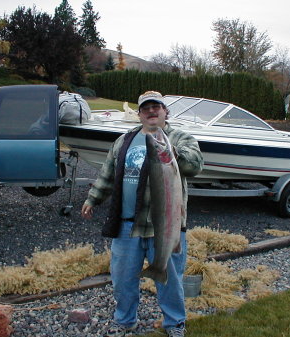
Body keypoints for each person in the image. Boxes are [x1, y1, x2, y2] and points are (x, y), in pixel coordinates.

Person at [81, 91, 203, 337]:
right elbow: (108, 174)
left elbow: (196, 165)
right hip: (128, 226)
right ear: (139, 114)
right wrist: (93, 198)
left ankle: (175, 324)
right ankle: (125, 320)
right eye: (146, 108)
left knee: (170, 281)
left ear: (165, 111)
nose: (151, 111)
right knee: (123, 279)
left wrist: (174, 153)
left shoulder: (179, 138)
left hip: (166, 227)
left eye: (156, 107)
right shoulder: (124, 140)